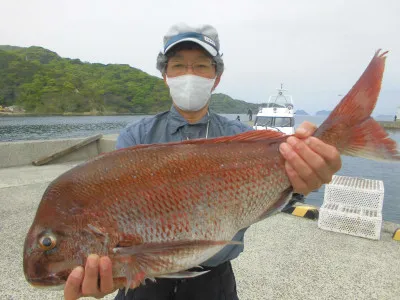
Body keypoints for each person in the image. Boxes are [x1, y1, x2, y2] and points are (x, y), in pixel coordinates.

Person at [64, 23, 341, 300]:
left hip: (214, 280)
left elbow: (280, 197)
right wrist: (113, 268)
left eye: (200, 66)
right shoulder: (136, 136)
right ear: (165, 75)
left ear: (216, 77)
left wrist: (303, 179)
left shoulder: (242, 140)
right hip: (144, 282)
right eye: (178, 66)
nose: (189, 74)